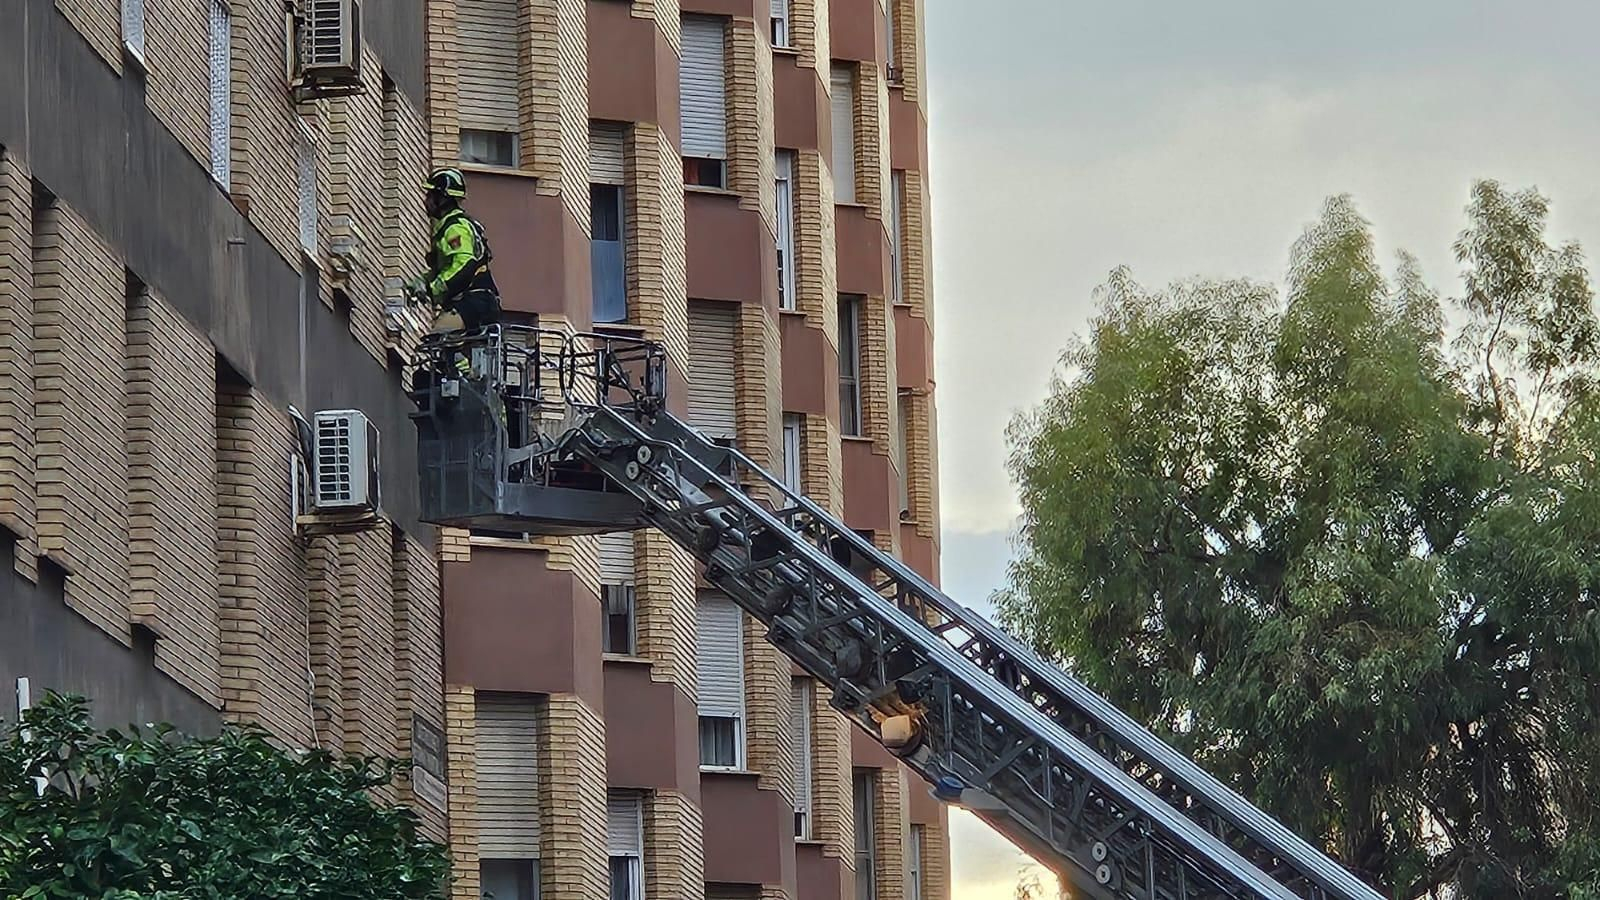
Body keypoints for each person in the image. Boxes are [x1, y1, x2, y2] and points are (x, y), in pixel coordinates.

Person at [408, 167, 501, 374]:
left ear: (443, 198)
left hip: (473, 301)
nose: (426, 200)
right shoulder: (446, 228)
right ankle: (465, 378)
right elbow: (447, 269)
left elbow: (464, 265)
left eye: (430, 195)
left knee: (438, 340)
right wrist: (422, 282)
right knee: (448, 351)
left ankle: (463, 378)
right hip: (475, 302)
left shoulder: (455, 228)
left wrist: (435, 288)